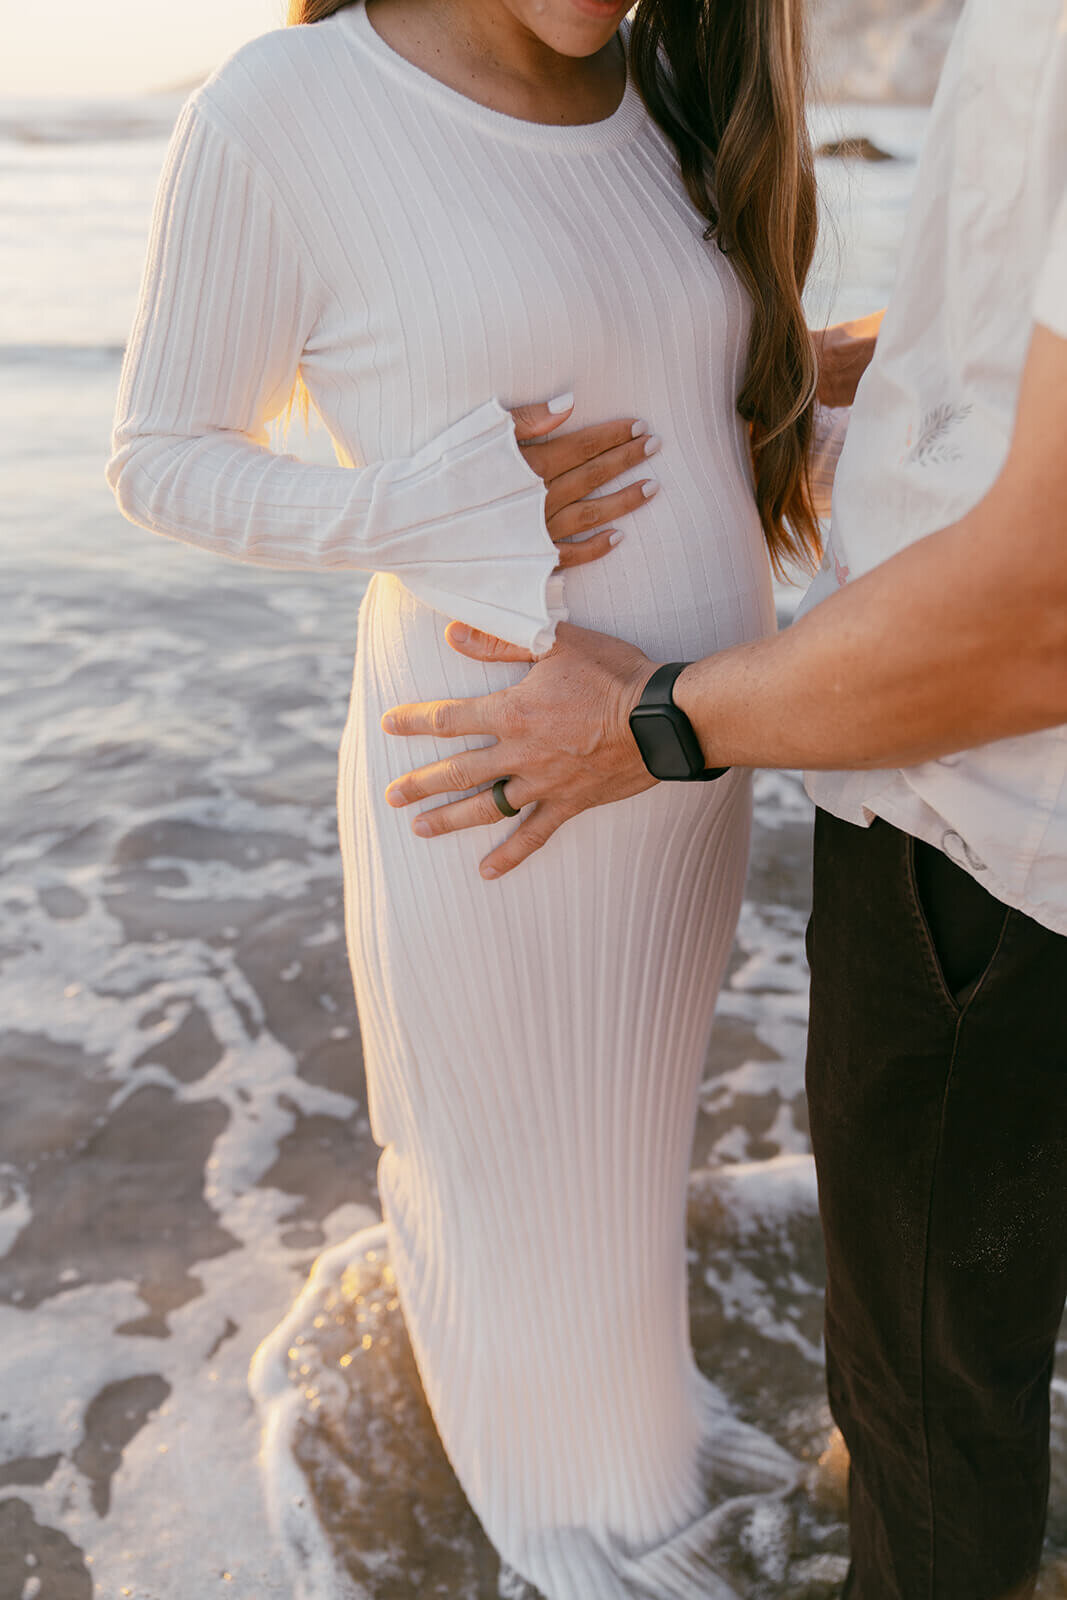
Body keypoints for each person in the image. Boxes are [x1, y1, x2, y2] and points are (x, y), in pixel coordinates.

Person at [104, 0, 855, 1591]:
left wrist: (848, 384)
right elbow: (161, 454)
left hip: (678, 770)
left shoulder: (672, 86)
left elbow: (675, 403)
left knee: (619, 1197)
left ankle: (629, 1470)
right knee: (516, 1205)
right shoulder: (287, 106)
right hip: (496, 789)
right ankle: (584, 1542)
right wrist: (415, 502)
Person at [382, 1, 1067, 1595]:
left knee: (928, 1406)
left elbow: (1039, 616)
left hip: (989, 836)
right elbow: (1003, 348)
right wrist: (748, 386)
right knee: (960, 1324)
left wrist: (653, 729)